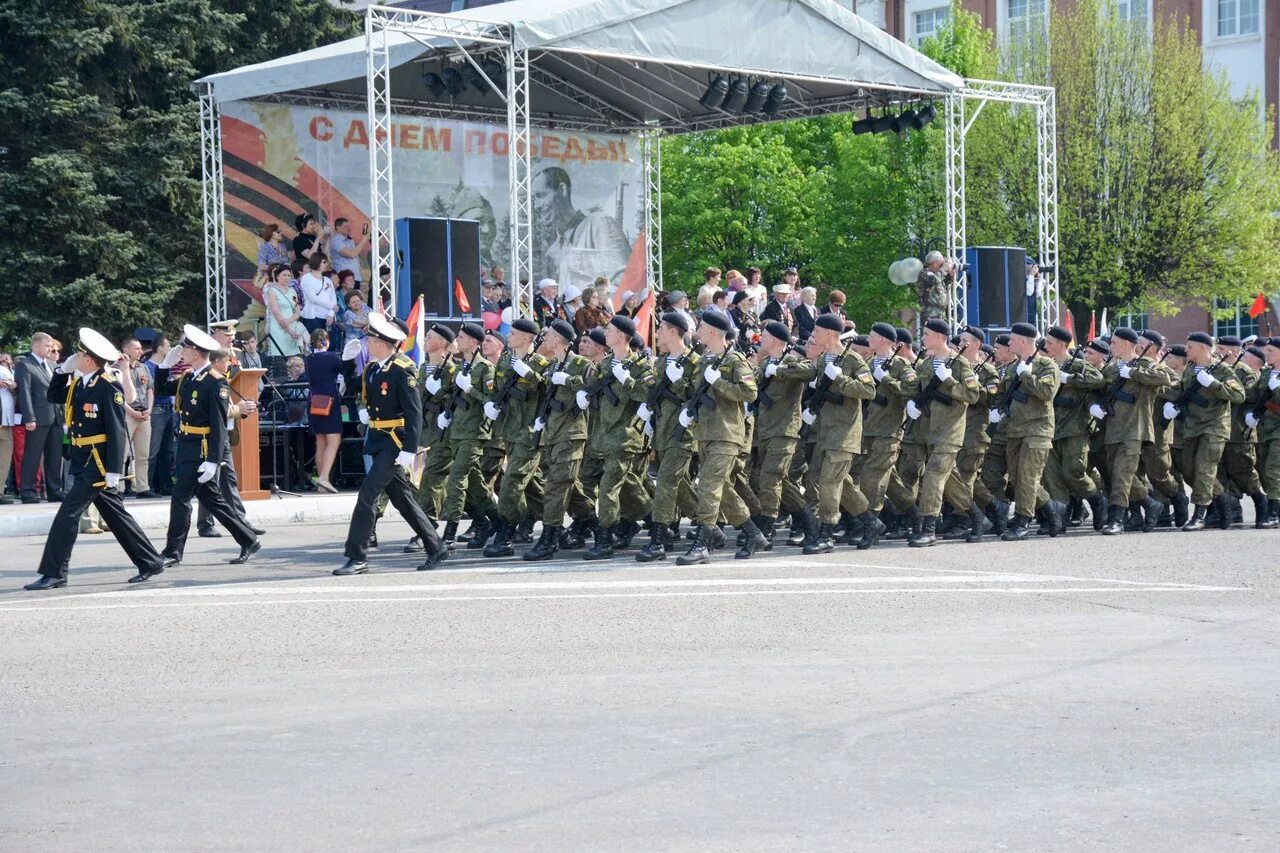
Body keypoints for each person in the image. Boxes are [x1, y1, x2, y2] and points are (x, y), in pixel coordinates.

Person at [21, 329, 167, 590]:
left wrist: (113, 470)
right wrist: (62, 371)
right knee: (116, 515)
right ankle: (150, 561)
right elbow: (53, 395)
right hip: (83, 460)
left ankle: (55, 572)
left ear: (88, 359)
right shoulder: (80, 383)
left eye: (78, 355)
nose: (74, 358)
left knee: (67, 514)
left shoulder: (107, 386)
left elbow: (117, 430)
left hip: (97, 465)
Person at [334, 312, 446, 574]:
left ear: (383, 344)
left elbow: (414, 413)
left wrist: (409, 449)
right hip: (379, 440)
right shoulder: (374, 368)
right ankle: (436, 546)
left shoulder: (401, 371)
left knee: (367, 496)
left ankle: (357, 556)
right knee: (403, 500)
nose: (367, 344)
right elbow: (351, 387)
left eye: (370, 340)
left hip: (394, 444)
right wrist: (348, 362)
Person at [147, 325, 261, 581]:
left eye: (185, 348)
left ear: (197, 352)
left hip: (202, 449)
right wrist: (165, 364)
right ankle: (248, 539)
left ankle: (173, 552)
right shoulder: (189, 377)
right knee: (213, 501)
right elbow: (163, 388)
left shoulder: (215, 382)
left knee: (180, 499)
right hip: (186, 445)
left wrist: (213, 461)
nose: (182, 352)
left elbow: (219, 424)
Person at [675, 310, 766, 564]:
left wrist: (719, 383)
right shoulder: (705, 360)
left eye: (701, 326)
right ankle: (753, 533)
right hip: (705, 432)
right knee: (721, 488)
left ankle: (703, 543)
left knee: (708, 485)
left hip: (726, 433)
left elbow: (750, 393)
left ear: (714, 331)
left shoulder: (735, 359)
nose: (698, 330)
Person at [987, 322, 1064, 540]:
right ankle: (1051, 507)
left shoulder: (1047, 365)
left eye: (1011, 339)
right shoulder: (1012, 367)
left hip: (1038, 429)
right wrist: (995, 407)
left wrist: (1027, 376)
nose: (1009, 343)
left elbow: (1047, 393)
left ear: (1022, 341)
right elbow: (1001, 393)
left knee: (1028, 476)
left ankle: (1022, 521)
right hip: (1015, 429)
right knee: (1017, 477)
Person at [482, 318, 552, 557]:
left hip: (530, 433)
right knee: (532, 486)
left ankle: (506, 533)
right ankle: (558, 527)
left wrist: (530, 374)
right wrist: (492, 403)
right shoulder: (505, 360)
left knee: (512, 482)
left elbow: (546, 390)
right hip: (509, 431)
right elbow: (497, 388)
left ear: (525, 338)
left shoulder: (541, 363)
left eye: (512, 334)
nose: (508, 337)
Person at [1164, 332, 1245, 530]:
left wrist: (1214, 384)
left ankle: (1199, 515)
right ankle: (1223, 498)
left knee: (1205, 468)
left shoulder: (1223, 369)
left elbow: (1239, 394)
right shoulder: (1191, 368)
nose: (1186, 350)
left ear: (1203, 348)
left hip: (1214, 426)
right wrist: (1164, 393)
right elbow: (1181, 390)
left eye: (1190, 346)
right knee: (1189, 470)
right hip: (1193, 426)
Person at [533, 166, 631, 289]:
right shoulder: (552, 252)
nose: (536, 205)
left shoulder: (599, 223)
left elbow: (624, 280)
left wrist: (594, 303)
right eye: (534, 199)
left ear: (562, 190)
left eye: (541, 195)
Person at [15, 331, 64, 503]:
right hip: (38, 418)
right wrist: (29, 417)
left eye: (52, 346)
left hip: (56, 418)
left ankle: (54, 490)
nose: (51, 349)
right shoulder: (25, 365)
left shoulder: (51, 365)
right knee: (32, 455)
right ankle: (28, 491)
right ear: (36, 345)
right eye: (47, 345)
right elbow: (24, 393)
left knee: (55, 457)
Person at [306, 328, 344, 493]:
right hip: (329, 401)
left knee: (320, 442)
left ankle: (322, 483)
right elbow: (345, 370)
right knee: (333, 440)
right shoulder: (331, 357)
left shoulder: (308, 359)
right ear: (326, 341)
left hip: (314, 402)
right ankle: (324, 478)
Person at [119, 337, 156, 498]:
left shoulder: (144, 368)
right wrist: (131, 412)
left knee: (143, 454)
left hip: (144, 414)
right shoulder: (117, 368)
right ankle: (118, 488)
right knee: (122, 453)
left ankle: (142, 487)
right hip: (127, 413)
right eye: (137, 349)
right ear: (126, 350)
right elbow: (117, 396)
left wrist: (149, 409)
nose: (141, 351)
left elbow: (149, 390)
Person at [145, 336, 177, 496]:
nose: (170, 348)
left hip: (168, 408)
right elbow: (150, 389)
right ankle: (147, 485)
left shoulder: (165, 366)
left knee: (167, 450)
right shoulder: (148, 367)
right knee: (153, 449)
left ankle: (165, 485)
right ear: (159, 347)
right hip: (157, 408)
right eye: (168, 345)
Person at [264, 263, 308, 357]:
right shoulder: (272, 291)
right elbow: (277, 314)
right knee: (280, 357)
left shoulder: (293, 290)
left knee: (294, 358)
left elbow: (297, 310)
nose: (287, 277)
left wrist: (289, 321)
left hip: (291, 325)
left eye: (289, 275)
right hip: (278, 328)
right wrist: (289, 330)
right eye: (284, 275)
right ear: (277, 276)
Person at [298, 253, 338, 335]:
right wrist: (332, 306)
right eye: (324, 261)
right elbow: (313, 298)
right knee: (315, 344)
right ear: (317, 261)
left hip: (327, 318)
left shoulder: (327, 280)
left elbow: (333, 298)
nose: (326, 264)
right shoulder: (306, 278)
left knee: (327, 345)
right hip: (313, 317)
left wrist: (331, 314)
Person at [329, 217, 370, 285]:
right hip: (344, 279)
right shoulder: (336, 241)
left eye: (349, 226)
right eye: (346, 226)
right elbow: (351, 254)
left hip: (355, 277)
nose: (349, 228)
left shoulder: (350, 240)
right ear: (338, 228)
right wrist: (365, 239)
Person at [917, 251, 953, 325]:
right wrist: (944, 269)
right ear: (934, 262)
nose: (942, 265)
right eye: (941, 262)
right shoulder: (925, 272)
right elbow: (934, 280)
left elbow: (944, 284)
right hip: (930, 311)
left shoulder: (938, 274)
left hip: (940, 311)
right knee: (932, 332)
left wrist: (950, 275)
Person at [0, 352, 17, 503]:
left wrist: (13, 386)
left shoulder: (12, 372)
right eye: (2, 358)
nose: (5, 360)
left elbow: (15, 391)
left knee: (5, 457)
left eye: (7, 359)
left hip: (6, 422)